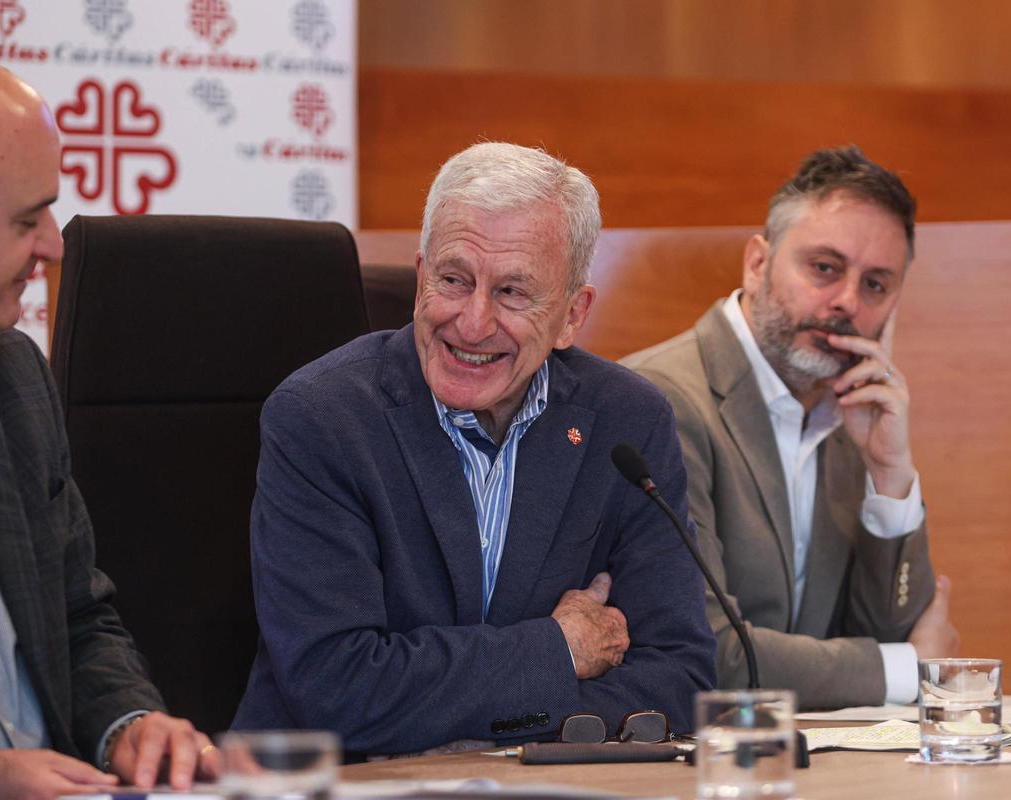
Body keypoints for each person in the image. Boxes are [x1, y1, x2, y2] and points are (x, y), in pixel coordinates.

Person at [234, 142, 717, 755]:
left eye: (513, 292)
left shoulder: (627, 420)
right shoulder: (322, 418)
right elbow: (336, 687)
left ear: (573, 314)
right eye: (454, 280)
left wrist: (473, 722)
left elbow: (680, 680)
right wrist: (559, 650)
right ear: (420, 277)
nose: (472, 322)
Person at [0, 49, 217, 799]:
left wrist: (130, 723)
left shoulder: (10, 377)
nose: (54, 244)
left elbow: (77, 618)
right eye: (24, 218)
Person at [622, 146, 959, 709]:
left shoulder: (852, 413)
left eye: (875, 285)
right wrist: (913, 670)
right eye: (824, 268)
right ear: (758, 263)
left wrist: (889, 475)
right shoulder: (655, 400)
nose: (847, 302)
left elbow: (883, 631)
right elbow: (708, 655)